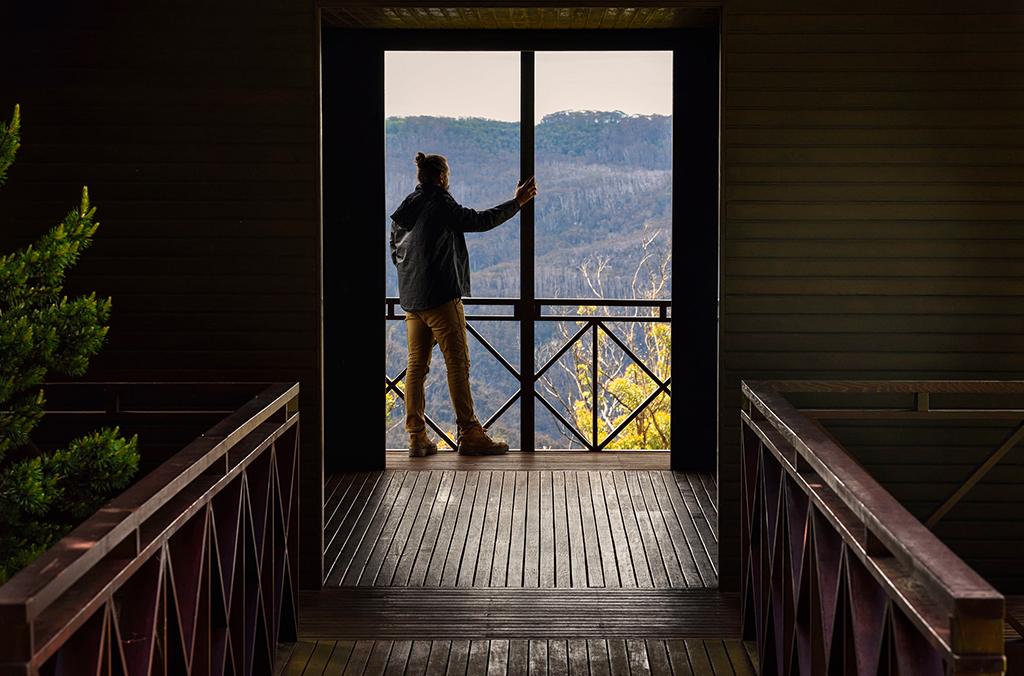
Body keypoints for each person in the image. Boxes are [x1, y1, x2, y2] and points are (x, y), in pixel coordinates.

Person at [389, 152, 537, 457]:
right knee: (458, 363)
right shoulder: (440, 202)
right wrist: (517, 203)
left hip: (412, 300)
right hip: (441, 298)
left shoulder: (406, 206)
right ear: (442, 176)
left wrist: (410, 277)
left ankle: (416, 437)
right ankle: (469, 433)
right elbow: (479, 220)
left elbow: (395, 250)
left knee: (416, 367)